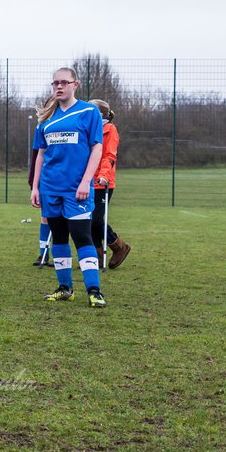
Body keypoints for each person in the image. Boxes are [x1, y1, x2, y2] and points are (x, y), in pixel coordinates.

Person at [30, 67, 106, 307]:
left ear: (76, 84)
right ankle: (65, 288)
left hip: (77, 189)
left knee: (82, 237)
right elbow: (40, 154)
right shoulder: (45, 118)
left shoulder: (88, 111)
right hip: (50, 189)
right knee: (59, 238)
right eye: (55, 83)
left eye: (64, 82)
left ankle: (94, 290)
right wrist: (35, 186)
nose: (59, 86)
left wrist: (86, 181)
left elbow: (97, 148)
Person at [90, 99, 131, 269]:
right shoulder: (88, 129)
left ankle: (119, 246)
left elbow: (109, 156)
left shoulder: (110, 131)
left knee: (96, 220)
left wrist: (104, 176)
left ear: (99, 114)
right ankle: (97, 257)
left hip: (103, 182)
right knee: (88, 219)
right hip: (87, 181)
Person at [29, 96, 57, 267]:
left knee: (60, 220)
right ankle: (43, 254)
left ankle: (58, 255)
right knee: (45, 217)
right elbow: (36, 155)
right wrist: (34, 183)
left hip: (64, 181)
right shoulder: (42, 127)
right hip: (45, 180)